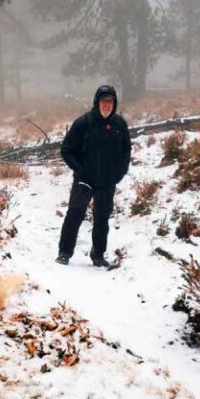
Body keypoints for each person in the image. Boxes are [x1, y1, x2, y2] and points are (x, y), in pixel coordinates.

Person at [56, 85, 132, 267]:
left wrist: (119, 173)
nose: (107, 105)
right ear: (97, 102)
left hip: (107, 181)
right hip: (85, 179)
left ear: (114, 104)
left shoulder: (119, 125)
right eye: (103, 101)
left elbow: (126, 151)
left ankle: (98, 255)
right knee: (74, 214)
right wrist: (79, 169)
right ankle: (65, 252)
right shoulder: (84, 123)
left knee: (102, 218)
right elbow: (66, 150)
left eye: (110, 101)